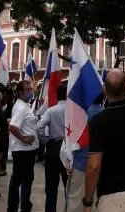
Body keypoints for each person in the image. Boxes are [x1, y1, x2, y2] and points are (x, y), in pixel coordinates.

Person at [83, 50, 125, 212]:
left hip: (113, 196)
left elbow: (94, 165)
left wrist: (87, 201)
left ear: (105, 90)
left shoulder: (99, 121)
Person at [66, 92, 105, 212]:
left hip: (80, 164)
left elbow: (70, 139)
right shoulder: (105, 113)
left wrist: (69, 159)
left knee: (76, 202)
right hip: (101, 166)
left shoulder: (80, 113)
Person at [8, 80, 40, 212]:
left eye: (31, 89)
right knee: (23, 180)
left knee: (20, 179)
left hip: (26, 150)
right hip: (23, 151)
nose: (31, 92)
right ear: (20, 93)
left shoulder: (25, 105)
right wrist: (24, 138)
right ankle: (22, 206)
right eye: (28, 90)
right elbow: (12, 126)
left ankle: (18, 206)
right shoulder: (21, 107)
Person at [37, 82, 69, 212]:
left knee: (51, 186)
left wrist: (46, 141)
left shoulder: (51, 110)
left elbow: (39, 127)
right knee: (69, 187)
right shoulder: (73, 111)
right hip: (68, 149)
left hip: (53, 148)